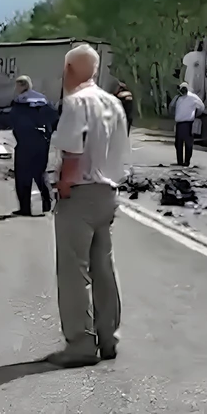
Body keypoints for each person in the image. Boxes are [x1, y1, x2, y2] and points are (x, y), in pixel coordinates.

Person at [48, 44, 130, 368]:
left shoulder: (75, 102)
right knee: (103, 267)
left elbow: (72, 149)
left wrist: (63, 183)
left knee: (73, 270)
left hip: (80, 191)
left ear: (69, 71)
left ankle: (81, 343)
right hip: (107, 192)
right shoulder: (113, 103)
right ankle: (108, 336)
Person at [9, 75, 58, 216]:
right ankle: (47, 203)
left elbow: (12, 120)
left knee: (23, 175)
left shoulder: (19, 103)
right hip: (41, 142)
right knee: (40, 172)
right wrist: (48, 133)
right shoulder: (43, 101)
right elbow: (54, 117)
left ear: (20, 86)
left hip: (25, 142)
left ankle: (25, 208)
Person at [169, 82, 204, 167]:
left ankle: (187, 161)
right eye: (181, 88)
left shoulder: (192, 97)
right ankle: (179, 161)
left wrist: (195, 114)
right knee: (178, 144)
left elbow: (201, 107)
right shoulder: (177, 97)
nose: (183, 90)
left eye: (184, 88)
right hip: (179, 123)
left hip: (188, 123)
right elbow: (171, 107)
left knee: (188, 144)